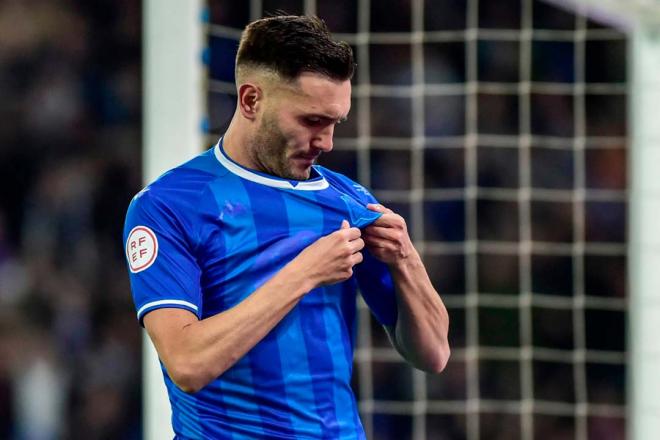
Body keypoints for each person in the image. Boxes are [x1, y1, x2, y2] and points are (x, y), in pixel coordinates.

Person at [124, 15, 450, 439]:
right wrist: (306, 272)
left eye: (336, 123)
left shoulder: (345, 199)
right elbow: (187, 364)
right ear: (251, 100)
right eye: (312, 121)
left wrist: (406, 258)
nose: (327, 142)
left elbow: (434, 354)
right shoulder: (168, 206)